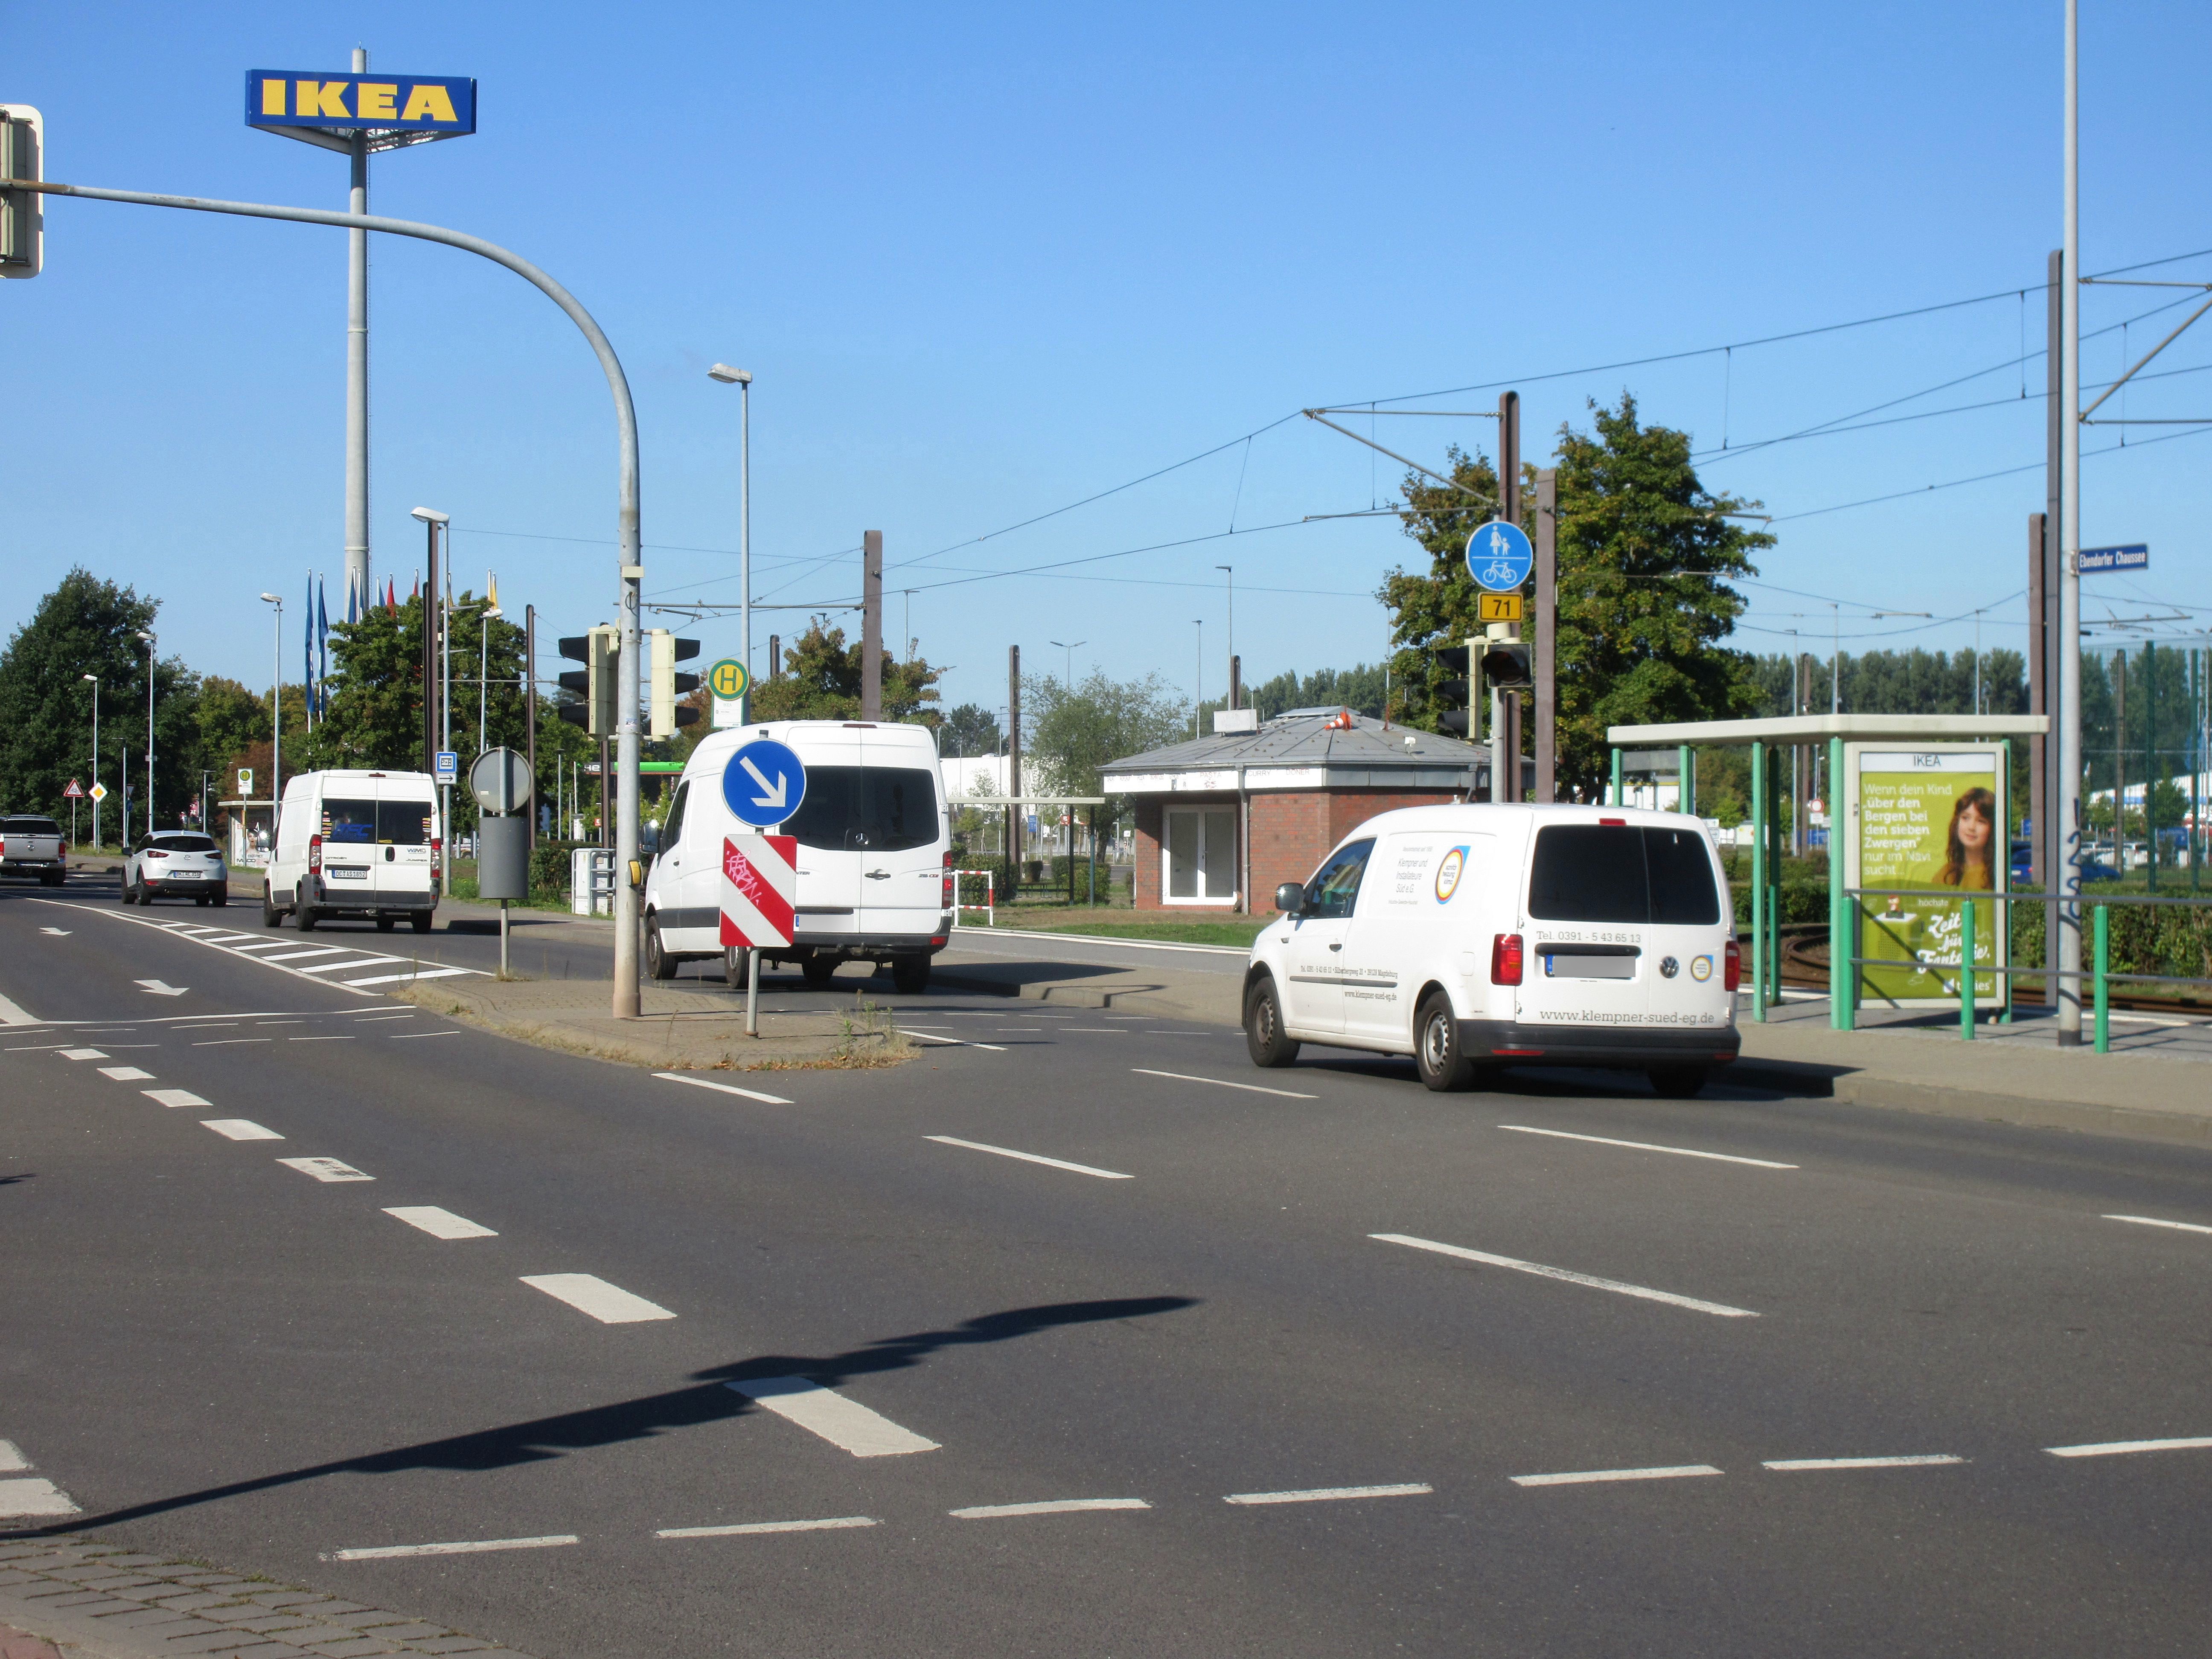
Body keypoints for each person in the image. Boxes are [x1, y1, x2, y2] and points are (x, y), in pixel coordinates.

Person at [1936, 786, 1997, 890]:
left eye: (1981, 821)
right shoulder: (1946, 875)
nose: (1971, 827)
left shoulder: (1995, 875)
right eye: (1966, 818)